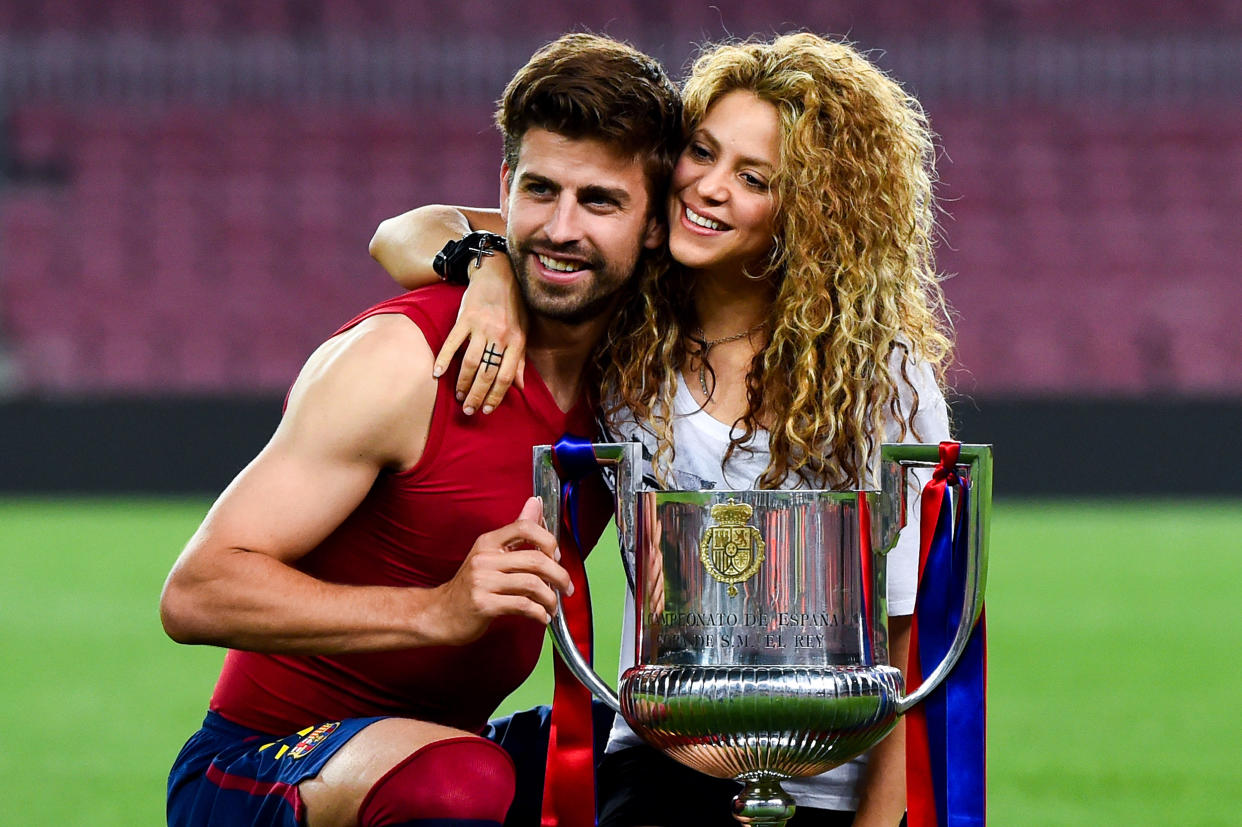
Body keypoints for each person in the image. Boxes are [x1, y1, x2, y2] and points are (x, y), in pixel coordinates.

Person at [369, 32, 953, 827]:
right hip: (657, 762)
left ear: (811, 211)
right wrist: (489, 269)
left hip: (826, 783)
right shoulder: (627, 317)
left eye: (752, 178)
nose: (708, 188)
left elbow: (906, 632)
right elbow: (403, 231)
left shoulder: (876, 372)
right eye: (702, 152)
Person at [159, 33, 682, 827]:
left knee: (677, 758)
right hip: (261, 765)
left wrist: (489, 261)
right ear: (504, 185)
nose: (561, 228)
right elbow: (194, 593)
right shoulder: (407, 361)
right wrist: (436, 610)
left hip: (451, 745)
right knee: (460, 787)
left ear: (653, 224)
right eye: (539, 190)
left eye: (600, 201)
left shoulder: (637, 366)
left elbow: (413, 229)